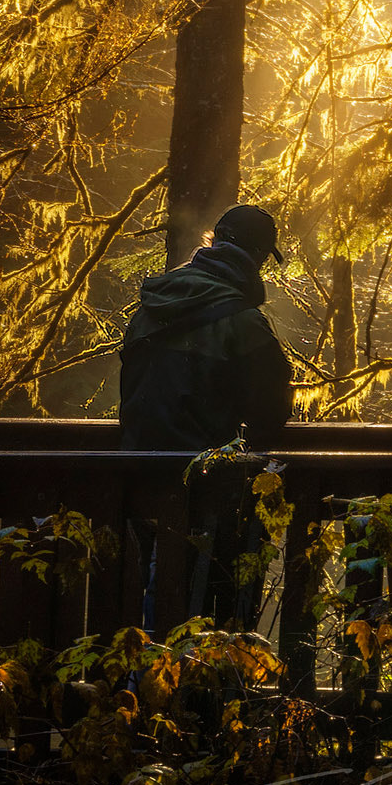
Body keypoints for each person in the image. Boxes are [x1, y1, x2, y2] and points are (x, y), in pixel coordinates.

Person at [119, 204, 294, 626]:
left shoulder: (151, 306)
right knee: (209, 605)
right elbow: (273, 411)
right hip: (207, 488)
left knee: (155, 593)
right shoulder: (244, 322)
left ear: (214, 242)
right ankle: (197, 680)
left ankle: (143, 678)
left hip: (135, 477)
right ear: (257, 257)